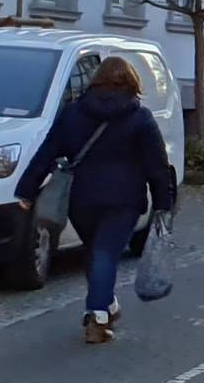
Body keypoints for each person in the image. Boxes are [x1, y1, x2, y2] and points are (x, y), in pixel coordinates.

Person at [15, 57, 178, 344]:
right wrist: (164, 203)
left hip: (82, 198)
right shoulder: (140, 118)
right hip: (124, 200)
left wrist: (26, 190)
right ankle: (98, 315)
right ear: (131, 83)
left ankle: (106, 305)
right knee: (105, 254)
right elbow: (157, 166)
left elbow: (47, 152)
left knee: (96, 253)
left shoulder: (73, 113)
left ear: (95, 80)